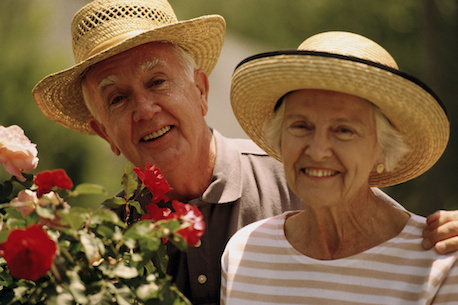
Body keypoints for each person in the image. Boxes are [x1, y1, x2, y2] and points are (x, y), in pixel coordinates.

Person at [30, 0, 458, 304]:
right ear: (102, 131)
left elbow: (398, 243)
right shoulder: (104, 239)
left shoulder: (303, 174)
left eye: (158, 82)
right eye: (118, 99)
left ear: (200, 91)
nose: (144, 109)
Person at [221, 31, 458, 304]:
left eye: (344, 130)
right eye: (301, 126)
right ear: (279, 139)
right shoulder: (246, 252)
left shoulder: (439, 262)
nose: (318, 150)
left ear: (382, 149)